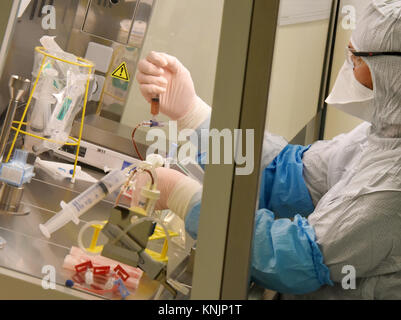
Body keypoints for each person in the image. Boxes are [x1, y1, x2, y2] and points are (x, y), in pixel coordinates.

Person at [134, 0, 401, 299]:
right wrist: (195, 116)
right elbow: (288, 175)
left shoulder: (392, 187)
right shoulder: (383, 135)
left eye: (357, 59)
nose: (348, 69)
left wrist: (183, 197)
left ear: (393, 71)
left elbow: (297, 260)